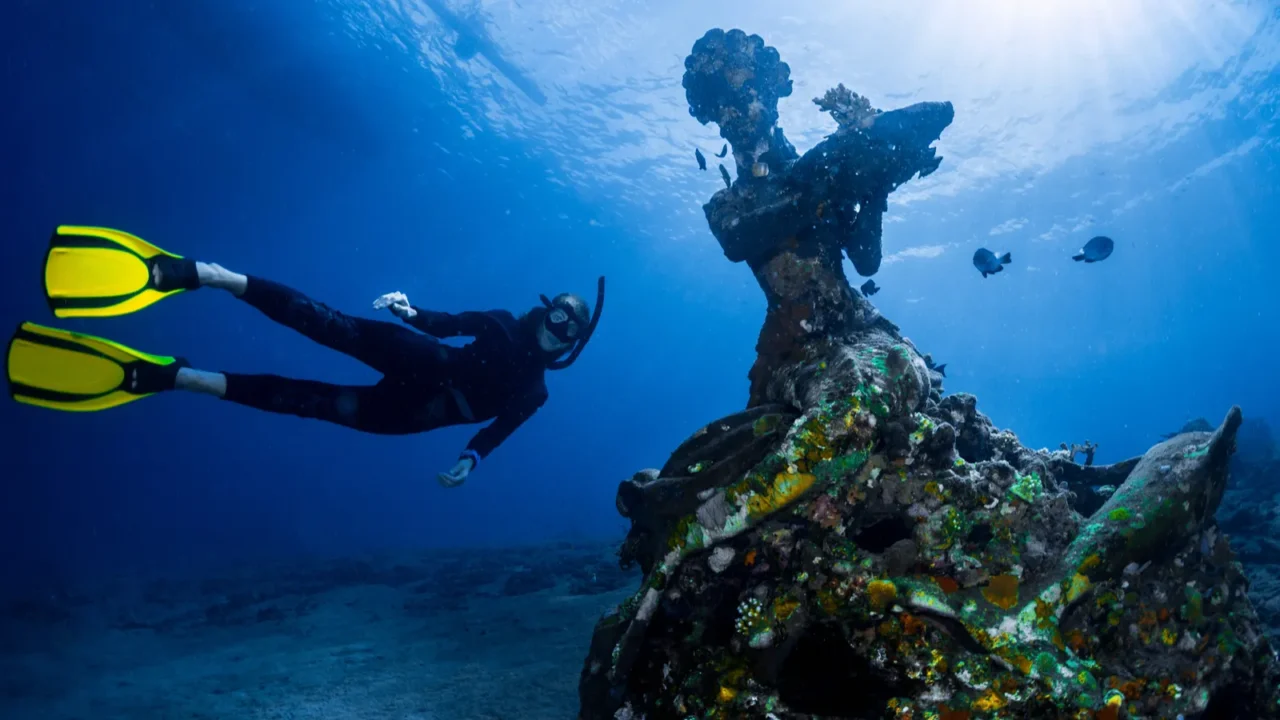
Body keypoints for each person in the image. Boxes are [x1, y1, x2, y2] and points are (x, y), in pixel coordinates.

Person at [8, 225, 603, 488]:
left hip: (411, 417)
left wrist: (470, 460)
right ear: (543, 312)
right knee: (325, 322)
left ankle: (174, 377)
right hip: (421, 360)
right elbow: (445, 323)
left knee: (304, 401)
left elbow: (494, 435)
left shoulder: (535, 395)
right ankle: (206, 274)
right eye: (557, 318)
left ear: (574, 343)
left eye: (569, 331)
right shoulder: (500, 322)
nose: (558, 333)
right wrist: (408, 310)